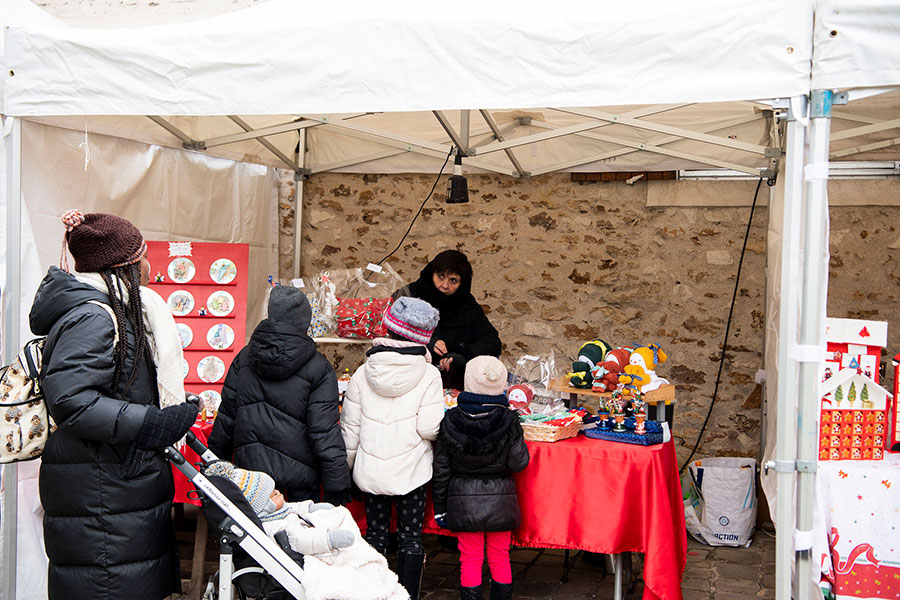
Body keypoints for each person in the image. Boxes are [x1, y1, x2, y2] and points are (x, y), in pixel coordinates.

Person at [29, 209, 200, 600]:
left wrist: (162, 411)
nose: (148, 264)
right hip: (101, 496)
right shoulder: (94, 317)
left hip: (116, 487)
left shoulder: (116, 311)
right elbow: (71, 400)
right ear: (123, 266)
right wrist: (149, 423)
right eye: (142, 255)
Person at [340, 296, 445, 599]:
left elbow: (351, 428)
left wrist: (347, 468)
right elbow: (429, 427)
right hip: (411, 472)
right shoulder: (429, 375)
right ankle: (407, 595)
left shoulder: (363, 372)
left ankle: (374, 593)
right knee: (411, 537)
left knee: (375, 534)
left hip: (370, 471)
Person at [208, 285, 352, 505]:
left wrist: (215, 462)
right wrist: (337, 482)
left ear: (271, 315)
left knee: (256, 537)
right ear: (305, 322)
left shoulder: (244, 358)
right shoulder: (319, 367)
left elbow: (227, 416)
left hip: (252, 476)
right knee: (301, 535)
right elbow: (324, 429)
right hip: (301, 476)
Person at [205, 461, 408, 600]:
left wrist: (311, 508)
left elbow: (293, 507)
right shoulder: (275, 526)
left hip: (305, 541)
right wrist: (329, 539)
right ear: (263, 508)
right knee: (356, 576)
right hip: (305, 555)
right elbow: (302, 539)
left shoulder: (278, 511)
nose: (279, 494)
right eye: (274, 494)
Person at [432, 356, 530, 600]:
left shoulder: (451, 420)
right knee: (499, 556)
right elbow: (519, 463)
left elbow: (441, 469)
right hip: (501, 501)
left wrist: (440, 508)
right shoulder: (509, 420)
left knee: (470, 559)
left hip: (463, 502)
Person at [399, 249, 502, 390]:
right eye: (440, 276)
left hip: (453, 387)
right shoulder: (409, 297)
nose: (445, 285)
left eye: (453, 280)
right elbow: (393, 333)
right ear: (431, 274)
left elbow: (491, 341)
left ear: (462, 283)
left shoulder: (467, 305)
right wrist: (427, 343)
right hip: (410, 381)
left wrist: (462, 356)